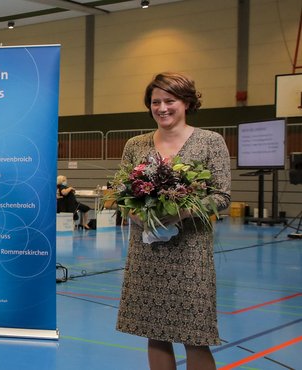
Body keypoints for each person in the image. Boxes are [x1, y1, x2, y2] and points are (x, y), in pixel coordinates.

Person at [116, 72, 230, 370]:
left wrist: (183, 211)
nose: (162, 108)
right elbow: (122, 192)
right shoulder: (135, 145)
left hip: (191, 251)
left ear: (187, 102)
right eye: (156, 102)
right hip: (147, 250)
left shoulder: (210, 142)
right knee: (154, 332)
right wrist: (139, 213)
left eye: (170, 100)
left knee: (195, 334)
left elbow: (222, 196)